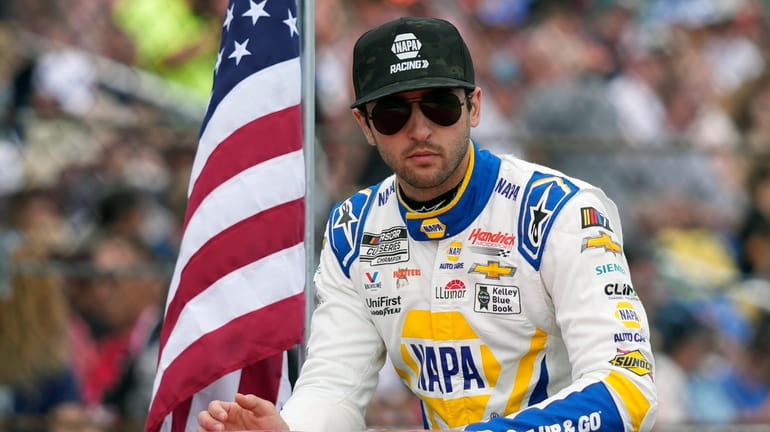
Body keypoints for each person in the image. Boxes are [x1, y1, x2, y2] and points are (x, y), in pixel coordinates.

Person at [197, 16, 658, 432]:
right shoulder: (353, 227)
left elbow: (628, 387)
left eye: (439, 106)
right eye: (393, 114)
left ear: (474, 107)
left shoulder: (561, 209)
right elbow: (334, 387)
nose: (419, 130)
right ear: (365, 125)